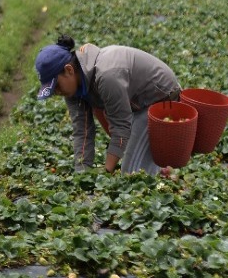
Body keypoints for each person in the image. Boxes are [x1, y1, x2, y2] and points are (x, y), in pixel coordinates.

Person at [35, 35, 181, 175]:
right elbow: (82, 131)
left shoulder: (107, 76)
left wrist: (107, 172)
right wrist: (82, 174)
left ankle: (154, 166)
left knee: (131, 176)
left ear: (69, 70)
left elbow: (122, 126)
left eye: (56, 86)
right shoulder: (73, 89)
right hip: (134, 106)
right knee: (126, 153)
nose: (56, 92)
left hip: (162, 100)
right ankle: (152, 165)